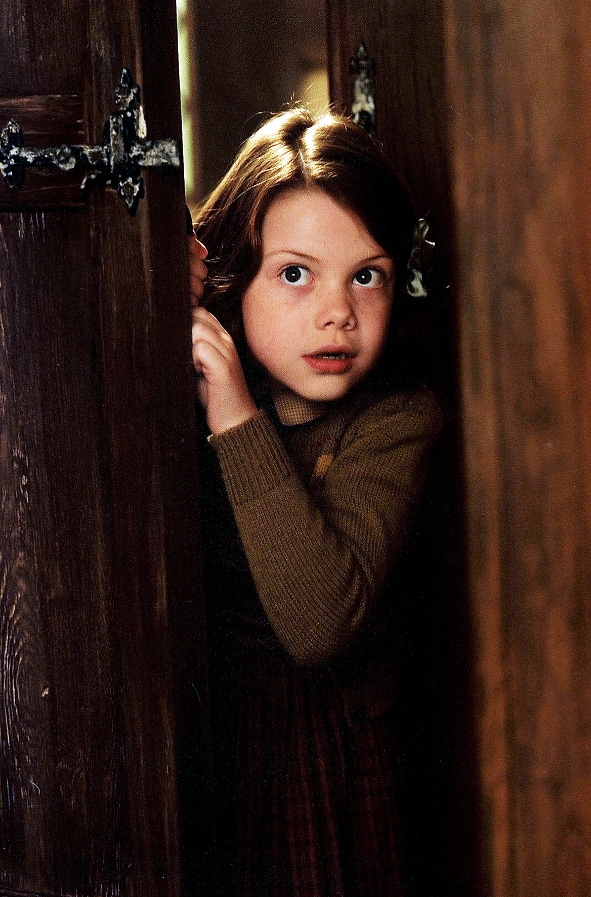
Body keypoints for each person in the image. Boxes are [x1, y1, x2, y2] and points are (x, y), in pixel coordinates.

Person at [187, 107, 442, 897]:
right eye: (295, 274)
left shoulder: (396, 419)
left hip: (323, 763)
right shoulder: (175, 383)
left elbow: (318, 624)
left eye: (366, 275)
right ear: (234, 275)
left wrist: (236, 418)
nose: (338, 312)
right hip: (202, 742)